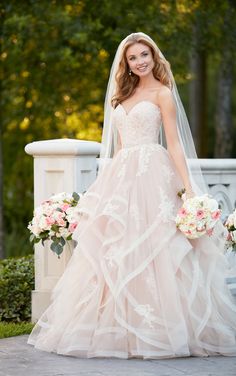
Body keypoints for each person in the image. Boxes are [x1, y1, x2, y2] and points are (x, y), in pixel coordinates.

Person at [27, 32, 236, 359]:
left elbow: (175, 143)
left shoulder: (162, 93)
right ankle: (116, 331)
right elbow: (119, 146)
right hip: (122, 175)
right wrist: (106, 184)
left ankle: (163, 330)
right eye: (132, 58)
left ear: (154, 57)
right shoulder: (121, 95)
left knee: (158, 248)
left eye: (144, 56)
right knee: (116, 248)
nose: (139, 62)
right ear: (125, 64)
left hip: (153, 173)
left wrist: (189, 189)